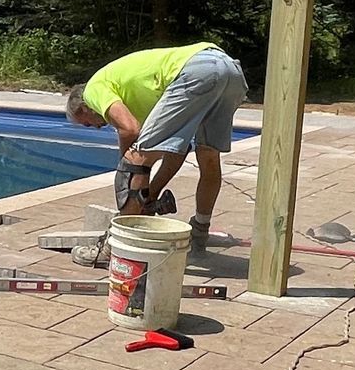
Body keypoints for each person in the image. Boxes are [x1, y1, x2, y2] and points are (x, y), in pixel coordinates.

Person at [66, 42, 246, 248]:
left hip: (196, 71)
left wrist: (127, 169)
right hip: (230, 70)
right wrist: (151, 193)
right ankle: (199, 231)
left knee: (134, 160)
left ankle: (117, 246)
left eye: (87, 123)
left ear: (83, 108)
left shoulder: (92, 90)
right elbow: (177, 152)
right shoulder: (144, 101)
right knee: (209, 158)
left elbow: (129, 130)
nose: (96, 127)